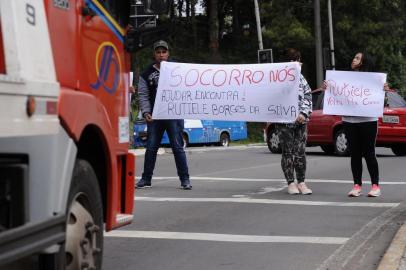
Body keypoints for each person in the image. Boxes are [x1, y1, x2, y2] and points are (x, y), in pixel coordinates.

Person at [320, 51, 383, 197]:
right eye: (354, 57)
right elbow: (336, 92)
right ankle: (357, 185)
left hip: (368, 121)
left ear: (364, 62)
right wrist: (328, 87)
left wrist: (383, 89)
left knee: (369, 153)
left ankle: (375, 185)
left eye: (357, 58)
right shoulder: (344, 78)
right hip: (349, 121)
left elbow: (380, 98)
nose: (353, 60)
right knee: (354, 153)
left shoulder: (374, 80)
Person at [136, 40, 192, 190]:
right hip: (155, 117)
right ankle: (146, 179)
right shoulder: (146, 73)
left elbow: (189, 89)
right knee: (151, 148)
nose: (161, 55)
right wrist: (146, 112)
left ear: (168, 53)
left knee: (177, 147)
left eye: (164, 52)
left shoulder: (179, 70)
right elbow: (143, 94)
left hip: (174, 116)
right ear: (154, 54)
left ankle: (185, 179)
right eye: (158, 52)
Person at [276, 48, 313, 195]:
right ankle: (291, 182)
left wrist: (303, 113)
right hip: (283, 122)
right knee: (287, 152)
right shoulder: (277, 78)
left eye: (297, 59)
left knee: (300, 152)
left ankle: (302, 182)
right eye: (291, 59)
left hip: (300, 122)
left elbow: (308, 95)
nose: (295, 62)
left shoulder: (302, 79)